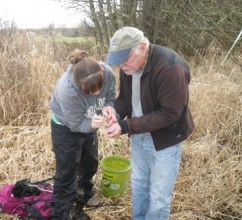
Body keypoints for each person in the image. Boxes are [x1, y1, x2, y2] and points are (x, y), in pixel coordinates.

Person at [104, 27, 195, 220]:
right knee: (138, 185)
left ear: (143, 47)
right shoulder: (128, 67)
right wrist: (116, 112)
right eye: (118, 61)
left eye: (125, 59)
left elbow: (169, 114)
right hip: (139, 135)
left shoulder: (171, 68)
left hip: (165, 141)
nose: (122, 65)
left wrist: (126, 126)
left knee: (159, 196)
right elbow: (124, 98)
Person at [50, 49, 116, 220]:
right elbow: (76, 124)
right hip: (66, 127)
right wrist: (91, 124)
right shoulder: (67, 90)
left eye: (98, 88)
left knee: (90, 162)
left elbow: (110, 96)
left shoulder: (107, 72)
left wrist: (109, 106)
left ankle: (84, 194)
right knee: (67, 171)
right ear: (80, 85)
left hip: (90, 121)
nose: (95, 94)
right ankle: (62, 213)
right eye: (89, 91)